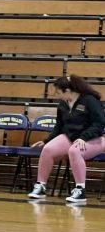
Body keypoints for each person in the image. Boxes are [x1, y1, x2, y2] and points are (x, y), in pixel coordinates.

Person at [28, 75, 105, 205]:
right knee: (48, 150)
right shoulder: (63, 104)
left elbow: (100, 123)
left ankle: (80, 190)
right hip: (72, 137)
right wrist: (47, 140)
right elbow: (59, 126)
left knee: (75, 151)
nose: (57, 95)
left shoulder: (90, 100)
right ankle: (41, 186)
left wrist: (84, 137)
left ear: (67, 90)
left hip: (95, 138)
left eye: (59, 92)